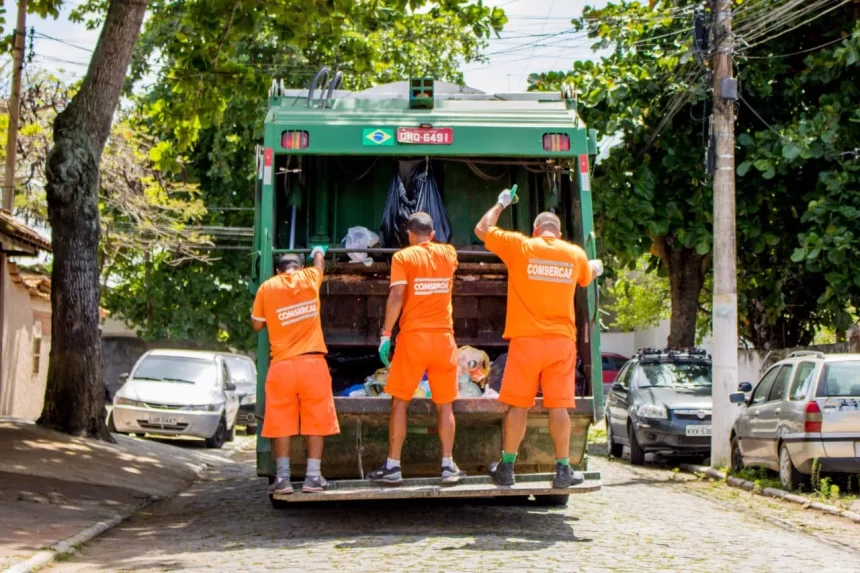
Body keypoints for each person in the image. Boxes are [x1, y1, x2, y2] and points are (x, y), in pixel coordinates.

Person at [474, 187, 603, 489]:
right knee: (558, 407)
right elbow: (587, 275)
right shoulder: (574, 254)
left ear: (536, 230)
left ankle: (507, 468)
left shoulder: (522, 246)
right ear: (557, 232)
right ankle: (562, 470)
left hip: (527, 342)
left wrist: (501, 201)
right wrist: (595, 268)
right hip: (561, 344)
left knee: (518, 406)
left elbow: (482, 229)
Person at [367, 212, 466, 485]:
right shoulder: (449, 254)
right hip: (444, 340)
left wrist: (386, 334)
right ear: (432, 234)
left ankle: (393, 466)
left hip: (414, 340)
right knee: (445, 405)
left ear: (409, 234)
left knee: (400, 402)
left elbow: (397, 295)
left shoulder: (403, 257)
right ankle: (447, 465)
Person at [251, 247, 340, 495]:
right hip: (312, 365)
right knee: (316, 422)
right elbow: (320, 266)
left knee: (281, 423)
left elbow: (257, 325)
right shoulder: (310, 277)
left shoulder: (267, 287)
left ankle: (283, 480)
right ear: (299, 268)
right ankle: (312, 478)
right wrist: (319, 252)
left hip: (282, 367)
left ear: (278, 271)